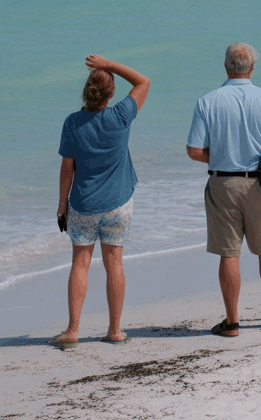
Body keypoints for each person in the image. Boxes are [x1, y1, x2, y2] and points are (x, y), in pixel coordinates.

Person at [186, 43, 261, 336]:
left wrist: (220, 155)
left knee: (229, 253)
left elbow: (194, 151)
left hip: (223, 181)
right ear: (252, 68)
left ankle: (232, 321)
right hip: (259, 181)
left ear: (226, 67)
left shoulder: (207, 101)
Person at [50, 55, 150, 347]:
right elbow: (143, 82)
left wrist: (61, 205)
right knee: (114, 263)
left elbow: (67, 167)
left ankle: (72, 331)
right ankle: (115, 331)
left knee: (80, 264)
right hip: (118, 204)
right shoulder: (121, 115)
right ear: (111, 93)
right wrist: (109, 63)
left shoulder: (73, 122)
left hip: (82, 204)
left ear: (86, 91)